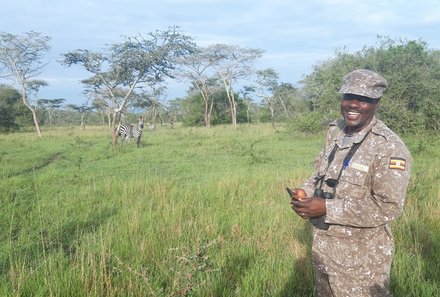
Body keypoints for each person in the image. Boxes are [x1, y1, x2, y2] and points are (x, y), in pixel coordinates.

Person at [290, 69, 412, 297]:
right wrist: (304, 192)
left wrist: (326, 207)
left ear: (377, 102)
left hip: (361, 265)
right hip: (324, 252)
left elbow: (388, 207)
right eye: (349, 97)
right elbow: (320, 174)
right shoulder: (336, 131)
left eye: (364, 99)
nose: (353, 104)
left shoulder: (389, 148)